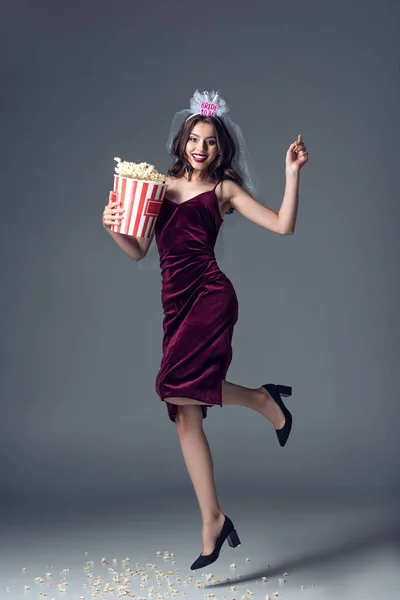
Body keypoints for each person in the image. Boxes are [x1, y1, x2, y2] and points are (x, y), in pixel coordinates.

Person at [102, 90, 309, 570]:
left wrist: (292, 174)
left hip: (210, 296)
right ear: (182, 142)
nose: (200, 147)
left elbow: (283, 226)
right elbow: (138, 252)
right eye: (194, 139)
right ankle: (213, 517)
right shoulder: (157, 187)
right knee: (184, 408)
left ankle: (262, 402)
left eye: (210, 142)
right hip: (173, 303)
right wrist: (112, 225)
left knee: (174, 387)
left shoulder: (223, 191)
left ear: (221, 149)